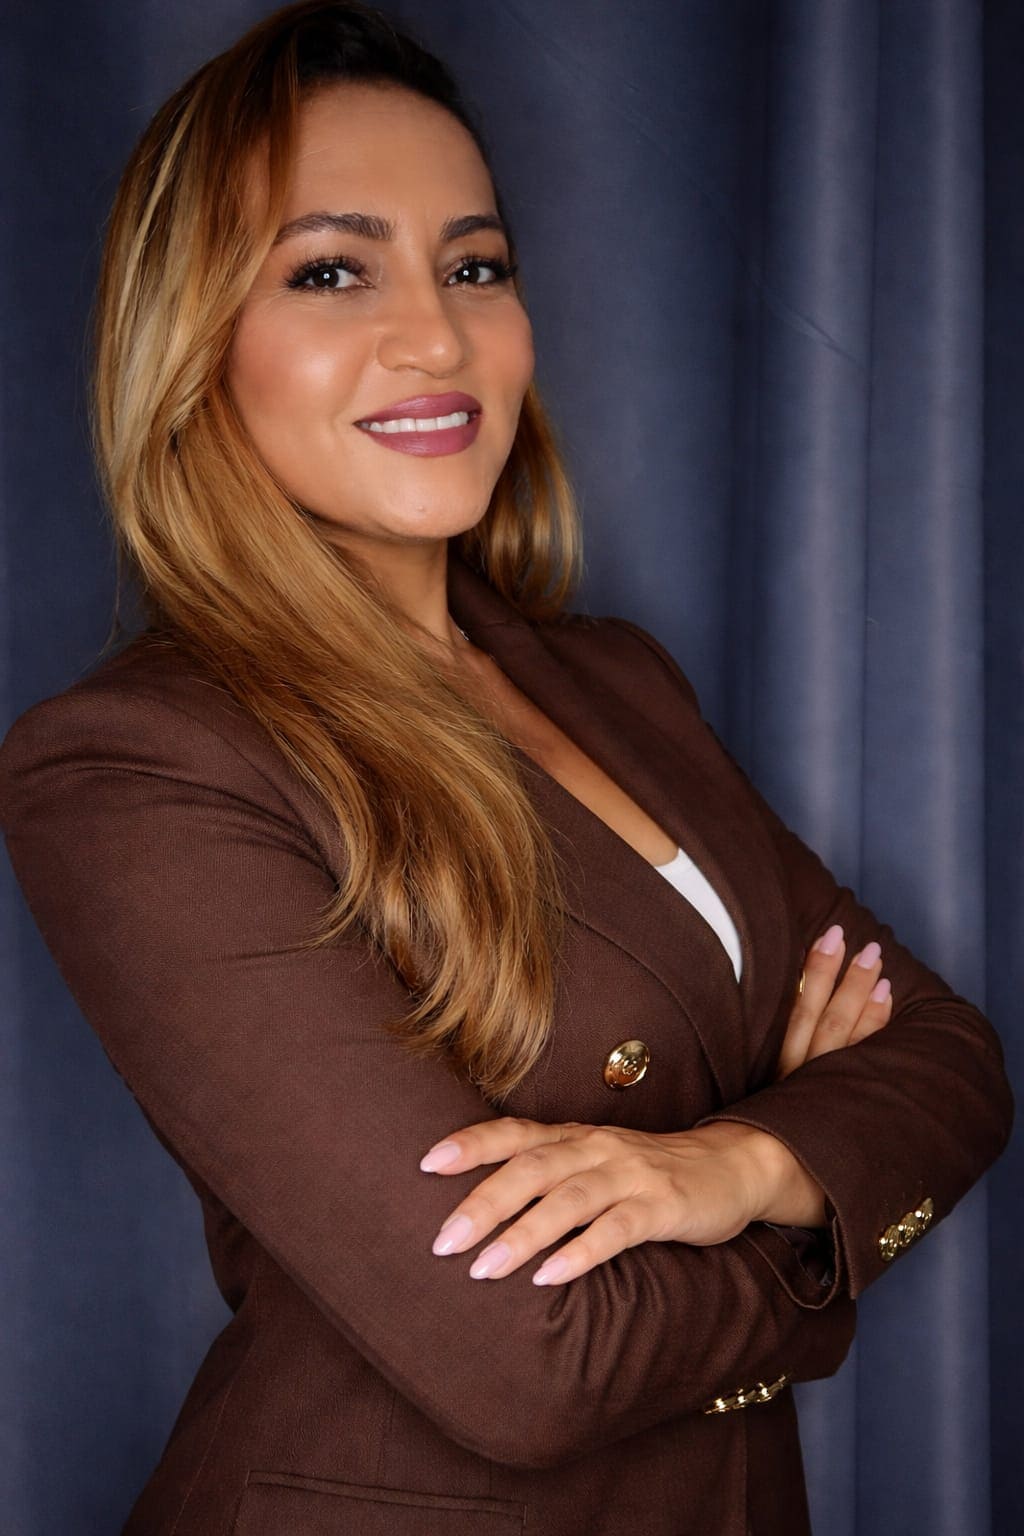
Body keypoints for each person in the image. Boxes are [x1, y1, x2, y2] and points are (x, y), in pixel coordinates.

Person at [0, 2, 1012, 1533]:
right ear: (193, 343)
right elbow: (533, 1361)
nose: (438, 335)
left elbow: (952, 1055)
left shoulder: (615, 678)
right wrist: (815, 1224)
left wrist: (734, 1166)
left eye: (474, 266)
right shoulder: (139, 765)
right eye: (331, 271)